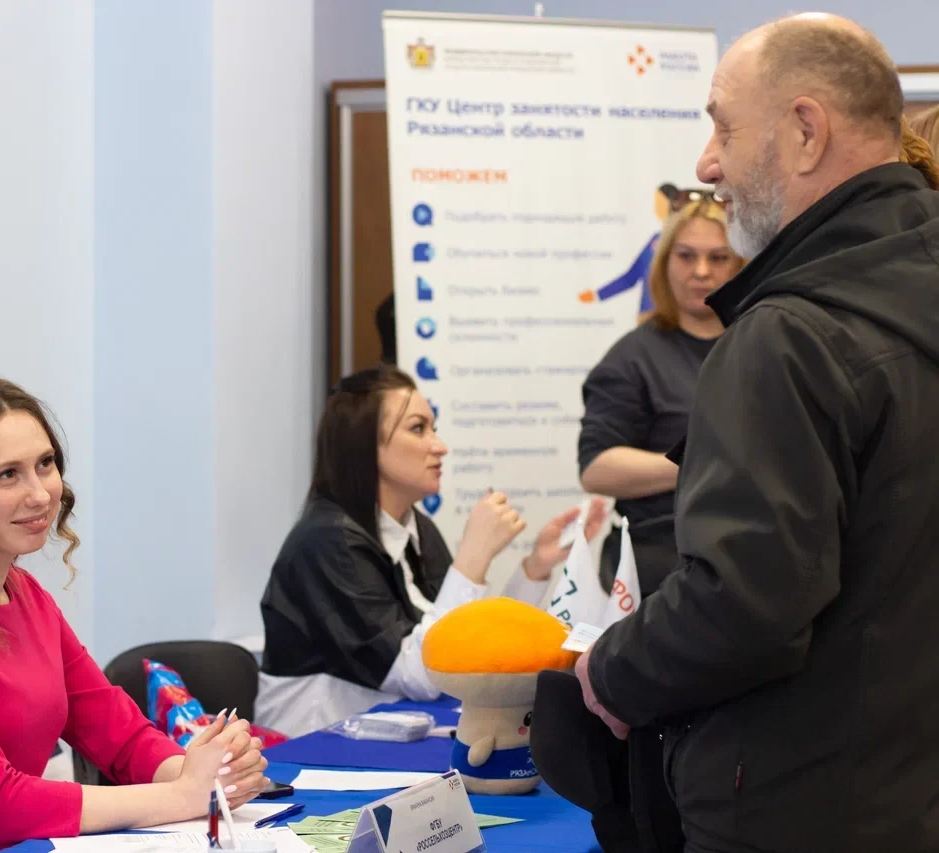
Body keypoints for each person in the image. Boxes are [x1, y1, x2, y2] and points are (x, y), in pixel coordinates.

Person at [575, 14, 939, 853]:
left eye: (724, 128)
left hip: (796, 807)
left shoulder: (788, 335)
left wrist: (612, 671)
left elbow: (745, 604)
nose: (707, 164)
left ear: (806, 132)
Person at [0, 378, 269, 852]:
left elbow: (119, 735)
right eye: (8, 475)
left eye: (45, 464)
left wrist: (205, 773)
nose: (41, 494)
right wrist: (183, 794)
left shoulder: (25, 595)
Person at [258, 363, 607, 736]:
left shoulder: (415, 526)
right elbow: (424, 673)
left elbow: (471, 641)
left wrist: (535, 567)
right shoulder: (326, 542)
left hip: (391, 730)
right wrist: (473, 558)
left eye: (434, 429)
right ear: (363, 444)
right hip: (316, 744)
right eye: (417, 429)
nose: (440, 447)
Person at [579, 194, 744, 595]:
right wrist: (705, 463)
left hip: (752, 559)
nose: (701, 271)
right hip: (660, 572)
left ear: (740, 264)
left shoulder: (762, 343)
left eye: (718, 258)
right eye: (686, 256)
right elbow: (596, 467)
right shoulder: (634, 357)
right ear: (665, 262)